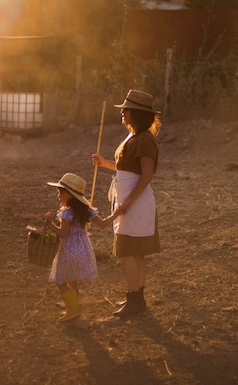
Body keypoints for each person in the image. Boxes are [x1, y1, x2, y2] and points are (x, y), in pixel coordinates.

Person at [92, 89, 161, 317]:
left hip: (136, 203)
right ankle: (137, 299)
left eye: (126, 109)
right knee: (135, 252)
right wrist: (104, 164)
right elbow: (126, 168)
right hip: (129, 200)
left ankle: (135, 300)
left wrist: (128, 203)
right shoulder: (132, 137)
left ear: (137, 114)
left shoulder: (145, 139)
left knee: (127, 252)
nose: (122, 112)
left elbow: (146, 174)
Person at [44, 173, 120, 322]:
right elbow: (104, 224)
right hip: (82, 250)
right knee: (73, 281)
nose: (59, 196)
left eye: (61, 192)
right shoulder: (87, 211)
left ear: (70, 194)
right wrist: (117, 213)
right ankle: (74, 309)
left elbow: (64, 234)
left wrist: (50, 225)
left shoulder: (66, 213)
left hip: (68, 251)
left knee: (60, 280)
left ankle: (72, 309)